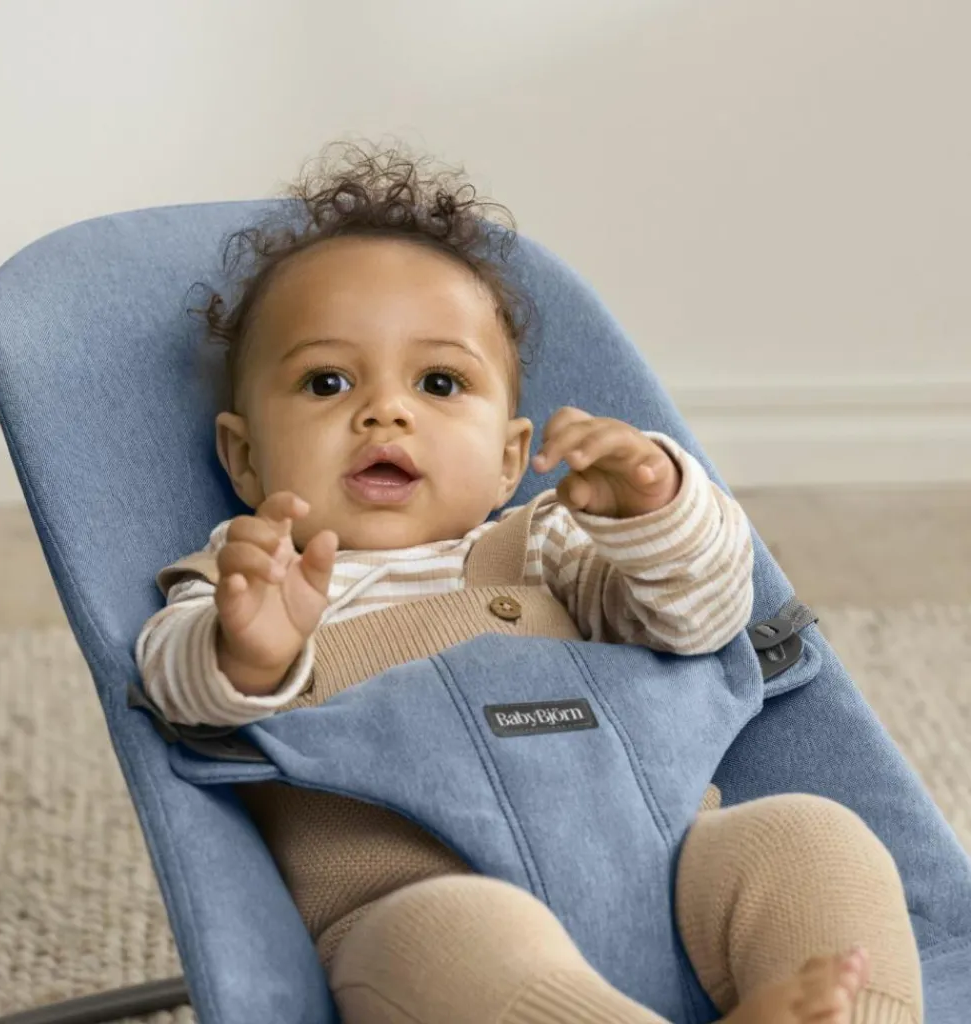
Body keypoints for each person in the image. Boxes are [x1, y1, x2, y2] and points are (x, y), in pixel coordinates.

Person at [136, 143, 922, 1024]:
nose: (385, 411)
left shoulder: (553, 545)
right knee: (447, 935)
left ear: (510, 458)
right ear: (244, 456)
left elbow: (700, 619)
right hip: (419, 907)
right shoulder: (252, 576)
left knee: (811, 837)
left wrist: (655, 508)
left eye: (439, 382)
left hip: (668, 878)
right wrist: (247, 652)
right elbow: (175, 687)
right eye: (328, 382)